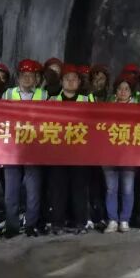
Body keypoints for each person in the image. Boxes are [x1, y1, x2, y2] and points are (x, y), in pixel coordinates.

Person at [2, 59, 47, 236]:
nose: (27, 78)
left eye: (31, 75)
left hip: (34, 149)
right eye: (24, 75)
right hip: (12, 150)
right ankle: (12, 226)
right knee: (11, 190)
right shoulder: (8, 94)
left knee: (33, 190)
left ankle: (31, 225)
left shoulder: (43, 95)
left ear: (36, 78)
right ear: (18, 77)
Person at [47, 64, 93, 234]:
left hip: (80, 154)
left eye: (74, 79)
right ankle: (57, 223)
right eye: (67, 79)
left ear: (79, 82)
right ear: (61, 81)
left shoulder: (87, 101)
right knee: (58, 190)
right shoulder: (52, 101)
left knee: (79, 189)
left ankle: (80, 222)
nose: (71, 82)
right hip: (57, 154)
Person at [103, 76, 137, 233]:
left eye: (126, 89)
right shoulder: (107, 108)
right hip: (109, 155)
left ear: (131, 92)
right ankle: (112, 220)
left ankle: (124, 220)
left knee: (128, 189)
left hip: (130, 155)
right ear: (115, 91)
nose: (123, 92)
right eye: (120, 89)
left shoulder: (137, 109)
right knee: (111, 189)